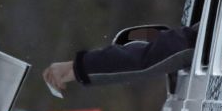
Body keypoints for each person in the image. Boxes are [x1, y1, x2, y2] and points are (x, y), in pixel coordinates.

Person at [42, 23, 199, 93]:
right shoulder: (217, 27)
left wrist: (78, 68)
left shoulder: (216, 29)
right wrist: (77, 67)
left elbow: (153, 57)